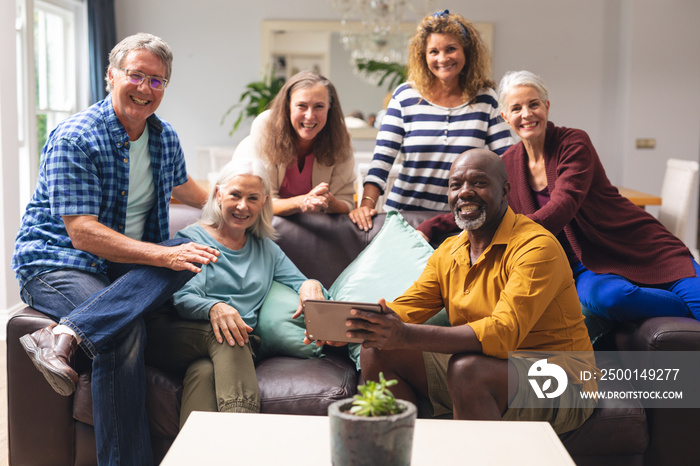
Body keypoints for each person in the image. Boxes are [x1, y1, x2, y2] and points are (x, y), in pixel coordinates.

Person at [12, 33, 220, 465]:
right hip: (58, 262)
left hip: (118, 271)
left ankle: (63, 335)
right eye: (135, 75)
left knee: (186, 249)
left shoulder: (164, 139)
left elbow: (194, 192)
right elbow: (83, 233)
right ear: (111, 76)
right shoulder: (76, 138)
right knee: (124, 329)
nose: (145, 89)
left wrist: (280, 204)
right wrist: (161, 256)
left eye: (157, 81)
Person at [417, 71, 700, 330]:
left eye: (533, 104)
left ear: (547, 107)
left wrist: (508, 234)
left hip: (640, 246)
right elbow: (483, 204)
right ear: (505, 117)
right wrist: (432, 226)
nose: (526, 114)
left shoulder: (573, 143)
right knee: (610, 299)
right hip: (585, 264)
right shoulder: (507, 164)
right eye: (516, 108)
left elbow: (563, 205)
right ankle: (681, 307)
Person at [341, 149, 596, 434]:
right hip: (490, 368)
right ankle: (398, 450)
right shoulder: (449, 251)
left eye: (479, 183)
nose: (465, 192)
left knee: (468, 370)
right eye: (456, 185)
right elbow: (405, 308)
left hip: (560, 380)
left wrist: (403, 334)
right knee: (377, 350)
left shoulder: (536, 246)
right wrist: (351, 326)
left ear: (505, 191)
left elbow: (502, 333)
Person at [146, 158, 325, 427]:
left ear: (263, 203)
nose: (243, 206)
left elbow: (299, 282)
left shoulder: (266, 249)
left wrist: (311, 284)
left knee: (204, 372)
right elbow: (183, 300)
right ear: (218, 194)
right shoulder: (192, 239)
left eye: (253, 198)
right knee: (231, 335)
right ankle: (243, 437)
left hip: (234, 350)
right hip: (179, 333)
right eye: (235, 195)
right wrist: (215, 307)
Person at [349, 10, 513, 231]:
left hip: (462, 221)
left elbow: (507, 161)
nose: (442, 58)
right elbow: (381, 161)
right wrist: (366, 204)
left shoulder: (486, 99)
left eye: (451, 49)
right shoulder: (405, 97)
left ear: (467, 52)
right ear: (423, 56)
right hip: (403, 217)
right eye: (433, 51)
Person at [249, 70, 356, 216]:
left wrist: (330, 202)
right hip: (269, 224)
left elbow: (347, 203)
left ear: (330, 109)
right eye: (302, 106)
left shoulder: (341, 135)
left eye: (319, 106)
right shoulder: (265, 126)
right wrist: (302, 201)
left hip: (316, 227)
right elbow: (259, 201)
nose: (310, 116)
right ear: (287, 107)